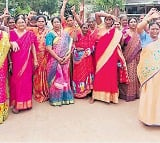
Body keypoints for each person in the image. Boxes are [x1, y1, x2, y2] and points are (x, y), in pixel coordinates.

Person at [91, 12, 129, 104]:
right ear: (105, 20)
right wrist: (110, 15)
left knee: (110, 75)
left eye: (110, 20)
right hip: (100, 55)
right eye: (107, 19)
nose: (108, 21)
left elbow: (119, 44)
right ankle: (95, 96)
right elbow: (97, 14)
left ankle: (110, 97)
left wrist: (113, 18)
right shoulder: (100, 26)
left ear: (113, 22)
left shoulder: (116, 31)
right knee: (99, 74)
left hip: (111, 55)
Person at [9, 16, 38, 113]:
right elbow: (6, 44)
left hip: (27, 61)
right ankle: (17, 104)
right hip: (16, 61)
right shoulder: (11, 33)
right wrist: (11, 43)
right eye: (19, 22)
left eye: (23, 22)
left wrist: (35, 60)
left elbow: (33, 46)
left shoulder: (29, 34)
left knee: (26, 82)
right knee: (16, 82)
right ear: (16, 24)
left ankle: (26, 103)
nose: (22, 24)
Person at [137, 8, 160, 126]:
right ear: (149, 30)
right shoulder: (144, 38)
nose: (154, 31)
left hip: (159, 74)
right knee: (149, 94)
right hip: (148, 74)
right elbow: (139, 28)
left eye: (157, 29)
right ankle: (147, 118)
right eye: (152, 29)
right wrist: (149, 17)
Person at [45, 17, 74, 106]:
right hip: (54, 60)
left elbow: (70, 47)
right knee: (56, 79)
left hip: (65, 60)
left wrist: (67, 57)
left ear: (60, 23)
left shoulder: (65, 34)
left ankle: (66, 98)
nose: (57, 24)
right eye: (55, 22)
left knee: (65, 78)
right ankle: (56, 99)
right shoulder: (50, 34)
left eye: (58, 22)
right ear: (52, 24)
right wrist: (58, 58)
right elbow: (48, 48)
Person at [119, 17, 141, 102]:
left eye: (134, 22)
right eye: (131, 22)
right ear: (128, 24)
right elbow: (120, 45)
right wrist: (123, 39)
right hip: (127, 57)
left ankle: (134, 93)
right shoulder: (124, 32)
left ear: (137, 23)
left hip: (137, 57)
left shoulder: (139, 33)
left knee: (135, 76)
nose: (133, 23)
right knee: (127, 75)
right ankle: (124, 94)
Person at [72, 23, 95, 98]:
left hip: (87, 58)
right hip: (78, 59)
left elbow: (92, 46)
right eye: (83, 28)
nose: (85, 29)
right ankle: (79, 92)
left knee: (87, 73)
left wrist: (86, 51)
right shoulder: (78, 35)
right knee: (79, 74)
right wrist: (77, 49)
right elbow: (74, 43)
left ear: (88, 28)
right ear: (81, 28)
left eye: (86, 28)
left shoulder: (90, 36)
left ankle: (87, 90)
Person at [32, 15, 49, 103]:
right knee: (36, 75)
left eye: (42, 21)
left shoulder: (49, 31)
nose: (40, 23)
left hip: (46, 56)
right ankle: (37, 92)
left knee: (44, 74)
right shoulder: (33, 31)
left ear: (45, 22)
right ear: (36, 23)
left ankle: (45, 93)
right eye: (39, 21)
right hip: (35, 56)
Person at [0, 26, 10, 123]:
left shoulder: (5, 35)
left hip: (2, 65)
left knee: (1, 87)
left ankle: (1, 113)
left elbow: (7, 48)